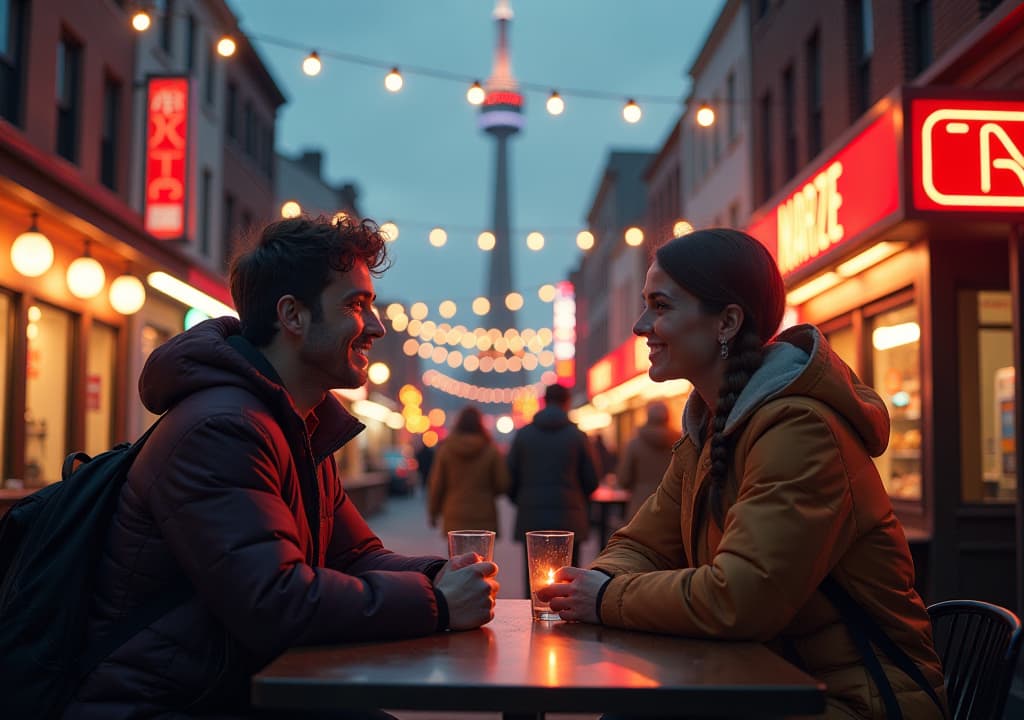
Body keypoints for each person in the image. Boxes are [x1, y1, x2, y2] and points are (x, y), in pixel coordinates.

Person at [65, 216, 498, 719]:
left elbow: (353, 556)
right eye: (356, 305)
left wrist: (443, 573)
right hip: (165, 703)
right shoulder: (222, 430)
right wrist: (436, 602)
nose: (376, 327)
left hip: (235, 686)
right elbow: (273, 602)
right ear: (292, 315)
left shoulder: (298, 424)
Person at [538, 228, 946, 719]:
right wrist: (593, 583)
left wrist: (605, 596)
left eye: (661, 306)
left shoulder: (800, 429)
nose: (641, 324)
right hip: (764, 680)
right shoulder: (711, 429)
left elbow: (741, 597)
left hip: (858, 701)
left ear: (726, 322)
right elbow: (643, 545)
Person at [507, 382, 599, 596]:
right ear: (566, 402)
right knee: (568, 578)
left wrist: (523, 500)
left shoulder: (524, 435)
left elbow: (509, 478)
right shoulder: (577, 436)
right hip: (569, 517)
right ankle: (567, 622)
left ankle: (534, 618)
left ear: (544, 401)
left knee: (533, 577)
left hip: (532, 517)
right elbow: (592, 480)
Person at [427, 405, 509, 534]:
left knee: (457, 553)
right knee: (484, 554)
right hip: (484, 515)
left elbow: (437, 484)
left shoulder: (446, 450)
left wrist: (433, 513)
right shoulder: (491, 450)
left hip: (454, 514)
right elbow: (502, 484)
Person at [615, 400, 677, 519]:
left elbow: (623, 479)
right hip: (672, 508)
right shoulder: (679, 443)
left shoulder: (634, 444)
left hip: (640, 506)